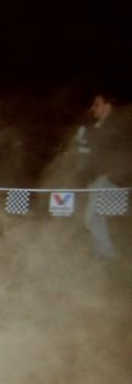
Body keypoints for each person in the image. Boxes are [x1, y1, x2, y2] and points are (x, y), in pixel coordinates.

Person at [79, 91, 129, 260]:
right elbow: (89, 151)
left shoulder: (116, 126)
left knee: (91, 217)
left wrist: (110, 173)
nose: (93, 108)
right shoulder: (96, 126)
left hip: (107, 178)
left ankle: (109, 255)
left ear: (107, 106)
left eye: (97, 105)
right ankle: (98, 255)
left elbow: (121, 153)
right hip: (96, 178)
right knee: (98, 217)